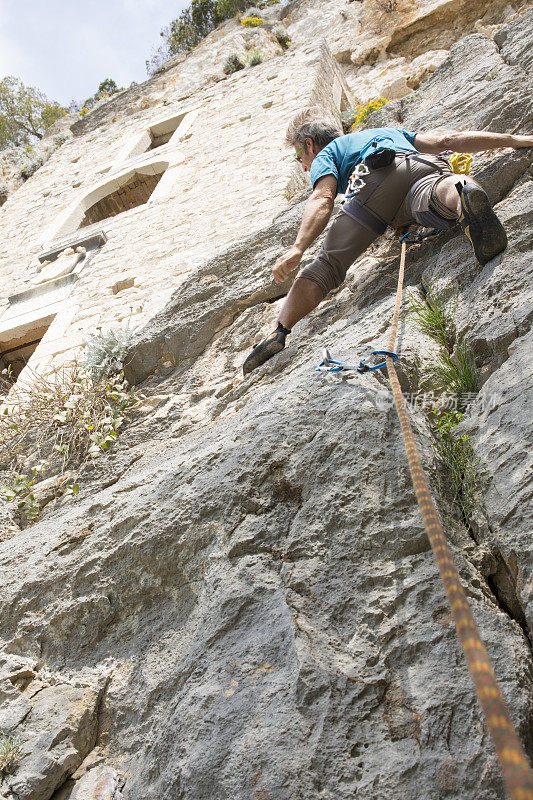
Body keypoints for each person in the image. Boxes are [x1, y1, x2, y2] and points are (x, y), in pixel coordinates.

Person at [243, 111, 533, 375]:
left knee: (328, 264)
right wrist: (517, 140)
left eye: (299, 158)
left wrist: (298, 247)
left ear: (309, 145)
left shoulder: (326, 154)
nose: (304, 167)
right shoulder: (386, 131)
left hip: (368, 186)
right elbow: (449, 139)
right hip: (416, 165)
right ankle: (462, 193)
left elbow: (323, 197)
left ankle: (280, 331)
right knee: (435, 192)